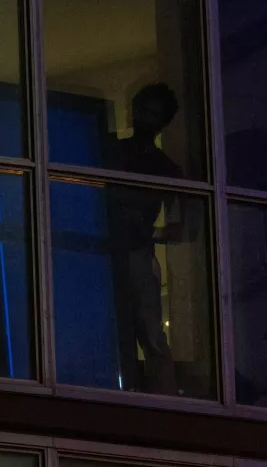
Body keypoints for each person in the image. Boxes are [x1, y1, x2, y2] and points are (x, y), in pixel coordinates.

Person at [106, 83, 190, 396]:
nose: (147, 119)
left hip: (137, 254)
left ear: (162, 122)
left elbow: (181, 228)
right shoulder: (111, 152)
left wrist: (148, 232)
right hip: (108, 251)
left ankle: (164, 399)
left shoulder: (165, 168)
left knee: (151, 333)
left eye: (155, 115)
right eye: (144, 111)